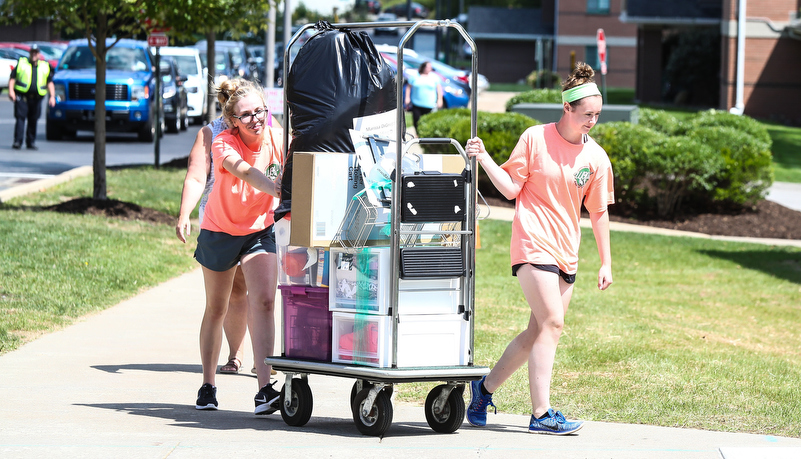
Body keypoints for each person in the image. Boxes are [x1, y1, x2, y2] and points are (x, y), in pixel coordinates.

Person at [464, 62, 614, 435]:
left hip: (567, 251)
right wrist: (483, 158)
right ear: (567, 108)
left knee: (537, 333)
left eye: (597, 115)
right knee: (553, 322)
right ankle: (542, 414)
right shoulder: (535, 138)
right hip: (532, 243)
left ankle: (482, 390)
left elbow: (598, 213)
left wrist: (606, 262)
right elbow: (512, 190)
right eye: (586, 114)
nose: (592, 121)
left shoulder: (595, 158)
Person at [191, 79, 284, 414]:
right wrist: (275, 189)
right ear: (232, 122)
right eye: (246, 115)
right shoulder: (222, 143)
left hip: (259, 230)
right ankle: (207, 384)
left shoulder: (278, 137)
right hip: (220, 230)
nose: (255, 119)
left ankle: (264, 390)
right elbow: (245, 172)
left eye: (260, 111)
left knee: (264, 300)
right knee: (217, 308)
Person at [176, 80, 250, 376]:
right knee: (232, 292)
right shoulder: (210, 133)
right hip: (219, 222)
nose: (249, 116)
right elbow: (196, 178)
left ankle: (265, 361)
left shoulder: (264, 126)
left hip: (258, 221)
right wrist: (184, 214)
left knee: (258, 293)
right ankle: (235, 355)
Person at [8, 44, 56, 150]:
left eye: (36, 52)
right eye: (32, 52)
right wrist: (11, 91)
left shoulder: (44, 66)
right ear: (30, 53)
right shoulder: (22, 63)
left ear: (39, 54)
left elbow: (49, 82)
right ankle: (18, 141)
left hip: (36, 98)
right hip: (22, 97)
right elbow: (12, 78)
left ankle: (31, 142)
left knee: (33, 119)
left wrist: (52, 96)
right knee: (20, 119)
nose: (34, 54)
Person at [404, 60, 442, 134]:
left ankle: (426, 134)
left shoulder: (434, 77)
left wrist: (440, 99)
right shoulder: (415, 76)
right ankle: (418, 134)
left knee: (428, 120)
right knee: (416, 119)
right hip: (416, 103)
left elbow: (439, 89)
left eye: (430, 67)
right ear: (423, 67)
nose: (429, 68)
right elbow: (408, 87)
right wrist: (407, 97)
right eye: (427, 67)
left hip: (429, 104)